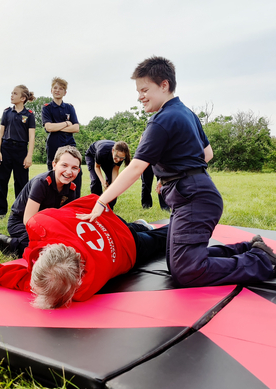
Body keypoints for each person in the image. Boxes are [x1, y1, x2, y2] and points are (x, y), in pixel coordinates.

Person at [77, 56, 276, 287]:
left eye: (144, 89)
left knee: (187, 271)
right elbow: (207, 153)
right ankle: (249, 248)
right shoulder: (186, 113)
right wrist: (172, 174)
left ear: (164, 84)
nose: (140, 96)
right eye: (138, 91)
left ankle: (260, 260)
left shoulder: (161, 120)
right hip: (194, 195)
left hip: (195, 199)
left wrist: (102, 201)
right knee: (177, 263)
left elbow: (135, 168)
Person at [0, 194, 168, 309]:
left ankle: (147, 226)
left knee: (160, 239)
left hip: (128, 246)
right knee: (151, 236)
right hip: (118, 233)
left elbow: (19, 278)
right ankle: (142, 225)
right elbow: (89, 201)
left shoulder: (79, 289)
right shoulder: (44, 223)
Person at [0, 145, 81, 257]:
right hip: (20, 222)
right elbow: (28, 220)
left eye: (74, 168)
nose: (69, 172)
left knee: (64, 246)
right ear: (54, 165)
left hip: (46, 225)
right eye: (64, 165)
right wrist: (49, 237)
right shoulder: (42, 182)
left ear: (78, 170)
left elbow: (66, 219)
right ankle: (8, 243)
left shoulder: (71, 188)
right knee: (45, 248)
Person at [0, 85, 36, 218]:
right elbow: (0, 133)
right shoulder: (7, 112)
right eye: (11, 93)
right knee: (1, 180)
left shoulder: (29, 115)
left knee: (21, 182)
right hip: (6, 148)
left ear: (23, 98)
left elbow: (31, 136)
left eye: (15, 93)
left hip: (21, 150)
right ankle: (0, 212)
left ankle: (20, 211)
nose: (11, 95)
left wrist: (29, 156)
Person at [41, 77, 82, 198]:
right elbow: (48, 127)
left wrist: (57, 126)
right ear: (51, 90)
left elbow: (76, 128)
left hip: (70, 143)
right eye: (55, 88)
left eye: (61, 88)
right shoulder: (47, 108)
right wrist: (65, 123)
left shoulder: (69, 107)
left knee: (76, 173)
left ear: (65, 92)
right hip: (54, 144)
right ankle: (53, 202)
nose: (57, 90)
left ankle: (75, 202)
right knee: (54, 173)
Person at [85, 140, 130, 209]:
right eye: (117, 156)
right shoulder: (102, 151)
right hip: (92, 156)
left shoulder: (121, 156)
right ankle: (95, 204)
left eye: (121, 158)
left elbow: (115, 169)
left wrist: (113, 185)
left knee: (112, 183)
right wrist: (103, 182)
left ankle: (108, 206)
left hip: (109, 158)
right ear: (113, 150)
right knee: (96, 180)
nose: (118, 159)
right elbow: (97, 167)